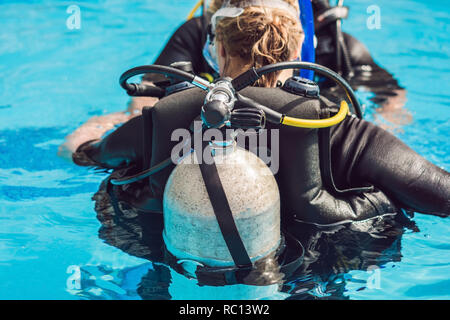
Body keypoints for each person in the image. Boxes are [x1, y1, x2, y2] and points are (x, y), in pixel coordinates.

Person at [69, 0, 448, 284]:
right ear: (301, 50)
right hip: (308, 276)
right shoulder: (343, 132)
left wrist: (95, 127)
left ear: (216, 50)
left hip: (177, 274)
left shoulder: (160, 121)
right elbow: (441, 195)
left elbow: (82, 155)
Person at [58, 0, 408, 158]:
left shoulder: (338, 47)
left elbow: (391, 98)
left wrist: (374, 136)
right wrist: (134, 121)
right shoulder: (199, 34)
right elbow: (147, 97)